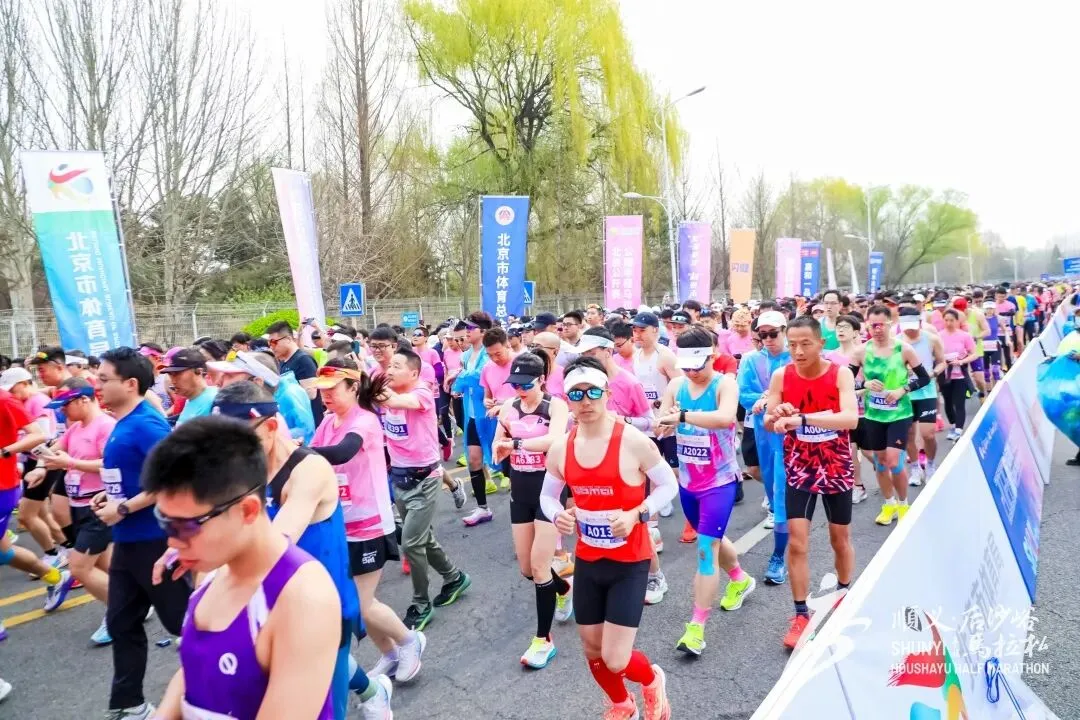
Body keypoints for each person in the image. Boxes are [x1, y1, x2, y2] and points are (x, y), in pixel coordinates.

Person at [146, 417, 341, 720]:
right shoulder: (212, 573)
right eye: (164, 521)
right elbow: (195, 669)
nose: (172, 541)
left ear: (247, 510)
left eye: (185, 526)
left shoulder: (302, 597)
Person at [539, 356, 677, 720]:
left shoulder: (633, 441)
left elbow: (668, 485)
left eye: (593, 392)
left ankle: (651, 680)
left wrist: (637, 513)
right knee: (591, 648)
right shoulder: (562, 447)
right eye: (576, 394)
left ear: (607, 393)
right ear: (567, 398)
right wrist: (558, 515)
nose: (585, 401)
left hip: (630, 562)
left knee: (616, 658)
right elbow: (547, 496)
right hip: (589, 560)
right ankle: (622, 704)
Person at [308, 362, 426, 701]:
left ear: (353, 388)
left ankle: (409, 641)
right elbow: (315, 458)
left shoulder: (365, 421)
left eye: (333, 388)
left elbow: (342, 452)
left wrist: (294, 450)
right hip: (339, 523)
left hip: (370, 523)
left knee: (359, 603)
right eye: (322, 389)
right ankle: (390, 653)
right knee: (355, 601)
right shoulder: (328, 422)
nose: (325, 395)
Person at [94, 347, 189, 720]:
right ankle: (129, 704)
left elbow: (173, 476)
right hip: (127, 542)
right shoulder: (122, 421)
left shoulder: (147, 424)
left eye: (104, 379)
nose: (98, 385)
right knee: (121, 622)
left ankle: (226, 691)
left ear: (131, 384)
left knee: (185, 625)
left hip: (154, 541)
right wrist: (111, 496)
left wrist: (124, 508)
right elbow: (134, 475)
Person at [654, 328, 756, 657]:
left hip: (719, 482)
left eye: (697, 366)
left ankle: (696, 628)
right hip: (688, 482)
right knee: (710, 538)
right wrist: (660, 423)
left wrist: (683, 415)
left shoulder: (725, 384)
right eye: (685, 366)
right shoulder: (675, 385)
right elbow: (661, 422)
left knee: (705, 550)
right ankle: (739, 578)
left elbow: (725, 418)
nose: (691, 372)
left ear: (712, 356)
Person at [763, 316, 859, 649]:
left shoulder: (840, 373)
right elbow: (769, 419)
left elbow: (851, 418)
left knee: (839, 539)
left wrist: (802, 418)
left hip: (836, 466)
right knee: (797, 543)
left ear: (821, 343)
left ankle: (844, 595)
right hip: (799, 468)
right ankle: (801, 614)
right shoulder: (781, 375)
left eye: (805, 344)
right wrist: (778, 418)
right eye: (792, 345)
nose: (798, 351)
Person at [491, 352, 573, 668]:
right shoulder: (509, 407)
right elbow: (499, 441)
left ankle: (543, 640)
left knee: (540, 567)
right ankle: (563, 587)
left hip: (549, 488)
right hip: (521, 488)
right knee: (527, 569)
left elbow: (554, 441)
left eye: (526, 385)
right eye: (515, 385)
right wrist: (499, 449)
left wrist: (516, 445)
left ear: (541, 380)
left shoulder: (555, 406)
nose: (520, 390)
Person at [383, 347, 471, 631]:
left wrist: (369, 388)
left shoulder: (420, 392)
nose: (390, 370)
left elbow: (397, 400)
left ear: (413, 373)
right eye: (389, 365)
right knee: (424, 538)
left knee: (411, 543)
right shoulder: (387, 390)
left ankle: (421, 604)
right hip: (399, 478)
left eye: (396, 366)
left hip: (425, 479)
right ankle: (454, 577)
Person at [41, 378, 117, 645]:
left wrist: (70, 462)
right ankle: (135, 602)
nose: (62, 411)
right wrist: (40, 466)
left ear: (84, 399)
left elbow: (109, 463)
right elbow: (55, 450)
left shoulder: (105, 426)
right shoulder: (75, 428)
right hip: (79, 507)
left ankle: (120, 615)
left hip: (97, 507)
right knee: (107, 566)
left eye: (66, 405)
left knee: (79, 567)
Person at [849, 306, 932, 526]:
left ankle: (904, 504)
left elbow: (924, 378)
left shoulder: (903, 349)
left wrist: (902, 390)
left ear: (890, 324)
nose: (877, 329)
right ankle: (889, 504)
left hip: (899, 414)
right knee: (880, 462)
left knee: (894, 461)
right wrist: (865, 384)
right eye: (872, 325)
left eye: (881, 325)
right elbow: (845, 381)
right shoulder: (860, 352)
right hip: (874, 415)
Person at [737, 311, 792, 584]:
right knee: (772, 491)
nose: (768, 339)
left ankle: (779, 556)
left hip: (794, 435)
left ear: (785, 331)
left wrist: (773, 399)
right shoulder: (751, 360)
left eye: (773, 333)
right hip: (764, 434)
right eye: (763, 335)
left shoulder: (796, 358)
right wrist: (762, 398)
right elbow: (744, 394)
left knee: (781, 496)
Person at [208, 350, 316, 444]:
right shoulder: (249, 418)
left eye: (229, 376)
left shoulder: (264, 428)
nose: (218, 382)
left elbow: (306, 431)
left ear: (256, 382)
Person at [896, 309, 946, 486]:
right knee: (909, 434)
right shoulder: (896, 341)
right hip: (905, 393)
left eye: (912, 326)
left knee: (928, 434)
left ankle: (930, 465)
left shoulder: (931, 339)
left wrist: (933, 373)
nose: (910, 330)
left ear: (919, 322)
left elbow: (942, 362)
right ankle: (915, 467)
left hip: (926, 391)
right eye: (906, 327)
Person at [824, 315, 870, 503]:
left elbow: (872, 383)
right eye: (838, 327)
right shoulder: (829, 357)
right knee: (850, 451)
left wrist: (854, 393)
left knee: (871, 453)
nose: (841, 330)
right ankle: (857, 486)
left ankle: (886, 474)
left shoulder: (863, 355)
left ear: (856, 332)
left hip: (865, 411)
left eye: (845, 327)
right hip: (842, 413)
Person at [267, 319, 324, 425]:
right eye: (269, 343)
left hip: (308, 425)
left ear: (288, 339)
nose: (271, 346)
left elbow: (311, 394)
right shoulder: (283, 362)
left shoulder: (303, 360)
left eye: (274, 342)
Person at [938, 308, 980, 441]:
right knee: (948, 402)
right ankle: (952, 424)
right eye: (946, 320)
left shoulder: (964, 336)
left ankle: (958, 429)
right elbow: (934, 354)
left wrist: (961, 361)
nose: (949, 323)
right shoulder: (938, 336)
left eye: (952, 320)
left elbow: (974, 353)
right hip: (944, 374)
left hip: (960, 374)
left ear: (957, 321)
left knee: (959, 402)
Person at [160, 349, 218, 424]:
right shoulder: (191, 398)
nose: (173, 381)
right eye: (170, 374)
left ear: (199, 371)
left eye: (177, 374)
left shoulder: (214, 399)